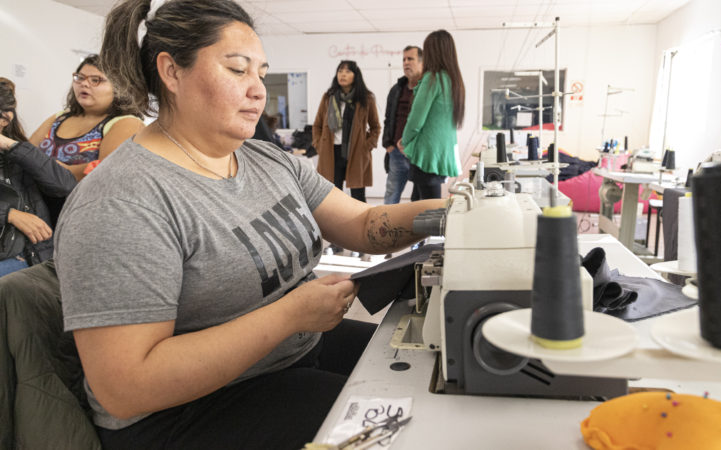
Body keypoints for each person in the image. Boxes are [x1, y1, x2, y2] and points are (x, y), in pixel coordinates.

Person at [55, 1, 444, 449]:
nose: (258, 89)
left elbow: (362, 221)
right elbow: (126, 387)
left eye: (260, 72)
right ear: (172, 72)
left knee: (427, 374)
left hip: (288, 355)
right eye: (238, 70)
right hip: (186, 413)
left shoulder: (265, 159)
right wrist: (288, 315)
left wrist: (450, 211)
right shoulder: (123, 202)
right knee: (404, 435)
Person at [28, 55, 143, 223]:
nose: (84, 84)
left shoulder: (126, 122)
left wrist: (47, 168)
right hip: (36, 210)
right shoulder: (58, 118)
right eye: (79, 78)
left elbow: (107, 170)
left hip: (81, 216)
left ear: (119, 87)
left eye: (96, 80)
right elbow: (27, 152)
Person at [0, 80, 76, 277]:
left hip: (25, 257)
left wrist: (11, 145)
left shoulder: (19, 155)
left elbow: (66, 186)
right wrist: (10, 215)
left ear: (5, 120)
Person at [398, 29, 465, 200]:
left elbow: (416, 119)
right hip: (443, 151)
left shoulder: (433, 78)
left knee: (428, 209)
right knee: (421, 202)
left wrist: (404, 141)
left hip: (427, 153)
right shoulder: (454, 80)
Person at [313, 60, 380, 204]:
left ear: (356, 76)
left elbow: (375, 127)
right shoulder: (328, 97)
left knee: (358, 196)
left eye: (348, 71)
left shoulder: (366, 98)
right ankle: (335, 225)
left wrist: (366, 146)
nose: (342, 74)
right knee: (333, 195)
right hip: (331, 152)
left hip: (356, 151)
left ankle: (361, 223)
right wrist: (319, 145)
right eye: (340, 71)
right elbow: (317, 125)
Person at [383, 45, 424, 205]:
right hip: (397, 153)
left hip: (420, 153)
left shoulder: (427, 89)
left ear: (422, 62)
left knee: (419, 198)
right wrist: (388, 144)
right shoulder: (397, 89)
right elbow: (388, 118)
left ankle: (417, 230)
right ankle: (386, 228)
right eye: (404, 59)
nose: (406, 63)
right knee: (391, 195)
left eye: (410, 59)